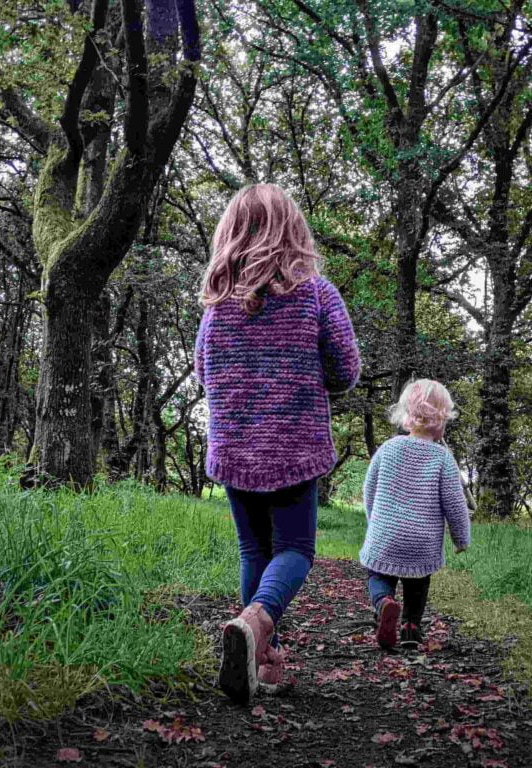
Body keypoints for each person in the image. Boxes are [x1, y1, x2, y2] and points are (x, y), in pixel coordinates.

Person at [194, 183, 360, 704]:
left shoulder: (216, 305)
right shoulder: (315, 292)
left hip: (236, 448)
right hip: (292, 446)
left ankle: (259, 661)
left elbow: (203, 372)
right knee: (294, 550)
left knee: (254, 550)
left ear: (230, 235)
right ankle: (257, 623)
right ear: (294, 232)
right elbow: (346, 369)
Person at [360, 379, 471, 650]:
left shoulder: (388, 449)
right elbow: (455, 504)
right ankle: (411, 627)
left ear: (407, 416)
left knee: (377, 574)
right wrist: (461, 539)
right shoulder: (442, 459)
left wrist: (374, 521)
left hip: (385, 534)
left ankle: (384, 602)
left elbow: (370, 490)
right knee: (417, 583)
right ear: (441, 421)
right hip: (422, 542)